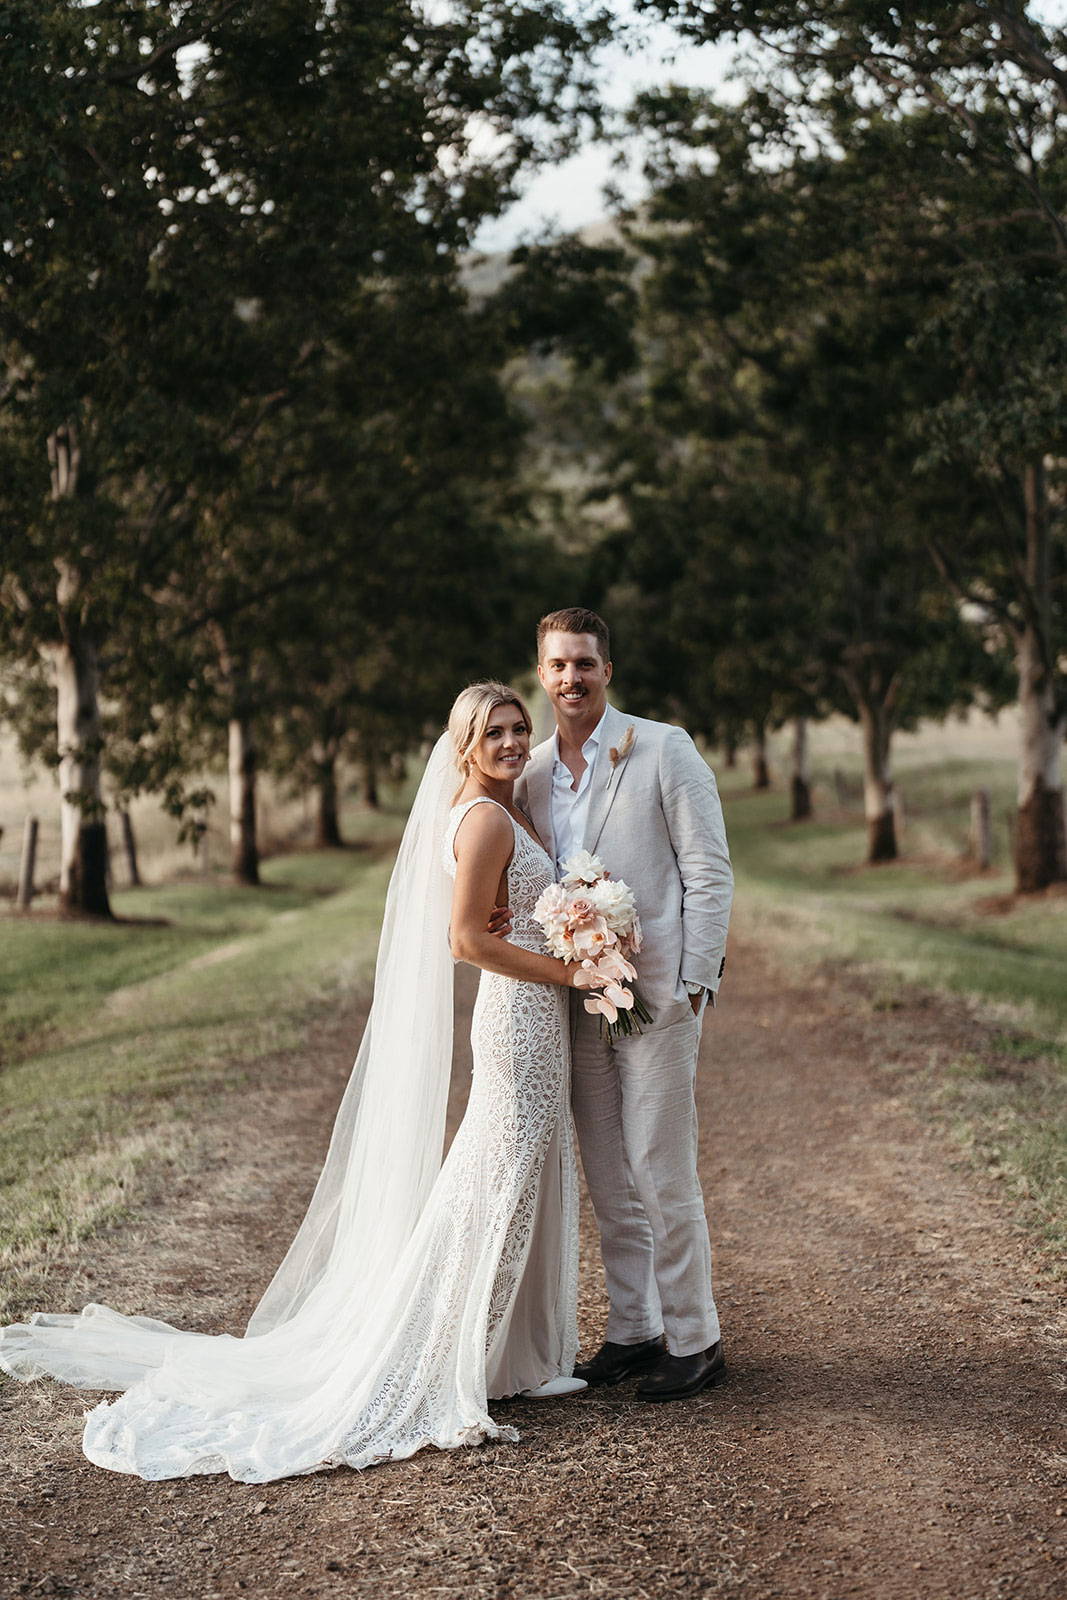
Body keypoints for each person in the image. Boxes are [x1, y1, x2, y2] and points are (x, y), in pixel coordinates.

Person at [0, 682, 589, 1482]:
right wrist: (568, 967)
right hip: (517, 1014)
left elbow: (499, 914)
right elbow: (462, 939)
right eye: (496, 731)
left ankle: (507, 1357)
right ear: (464, 744)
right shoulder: (485, 817)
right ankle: (445, 1359)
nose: (515, 741)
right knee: (497, 1176)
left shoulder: (502, 808)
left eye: (521, 727)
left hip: (536, 1010)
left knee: (521, 1175)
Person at [516, 608, 734, 1401]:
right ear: (540, 674)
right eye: (557, 665)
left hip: (658, 992)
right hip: (576, 999)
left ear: (607, 670)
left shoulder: (663, 747)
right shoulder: (531, 773)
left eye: (585, 663)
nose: (571, 677)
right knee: (607, 1171)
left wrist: (692, 982)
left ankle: (696, 1337)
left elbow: (707, 869)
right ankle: (635, 1330)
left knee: (658, 1166)